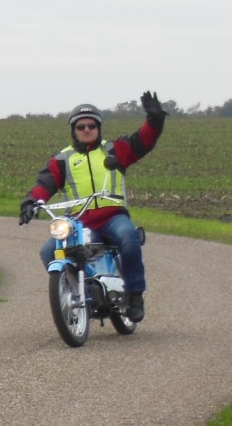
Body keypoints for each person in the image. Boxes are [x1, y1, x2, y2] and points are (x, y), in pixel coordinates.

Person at [19, 90, 166, 323]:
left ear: (99, 128)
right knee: (48, 251)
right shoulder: (62, 160)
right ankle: (82, 292)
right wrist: (30, 203)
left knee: (128, 237)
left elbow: (144, 141)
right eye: (81, 127)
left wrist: (155, 119)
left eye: (91, 126)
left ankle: (135, 295)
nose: (86, 130)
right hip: (79, 221)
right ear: (73, 130)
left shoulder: (114, 150)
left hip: (112, 217)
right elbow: (44, 185)